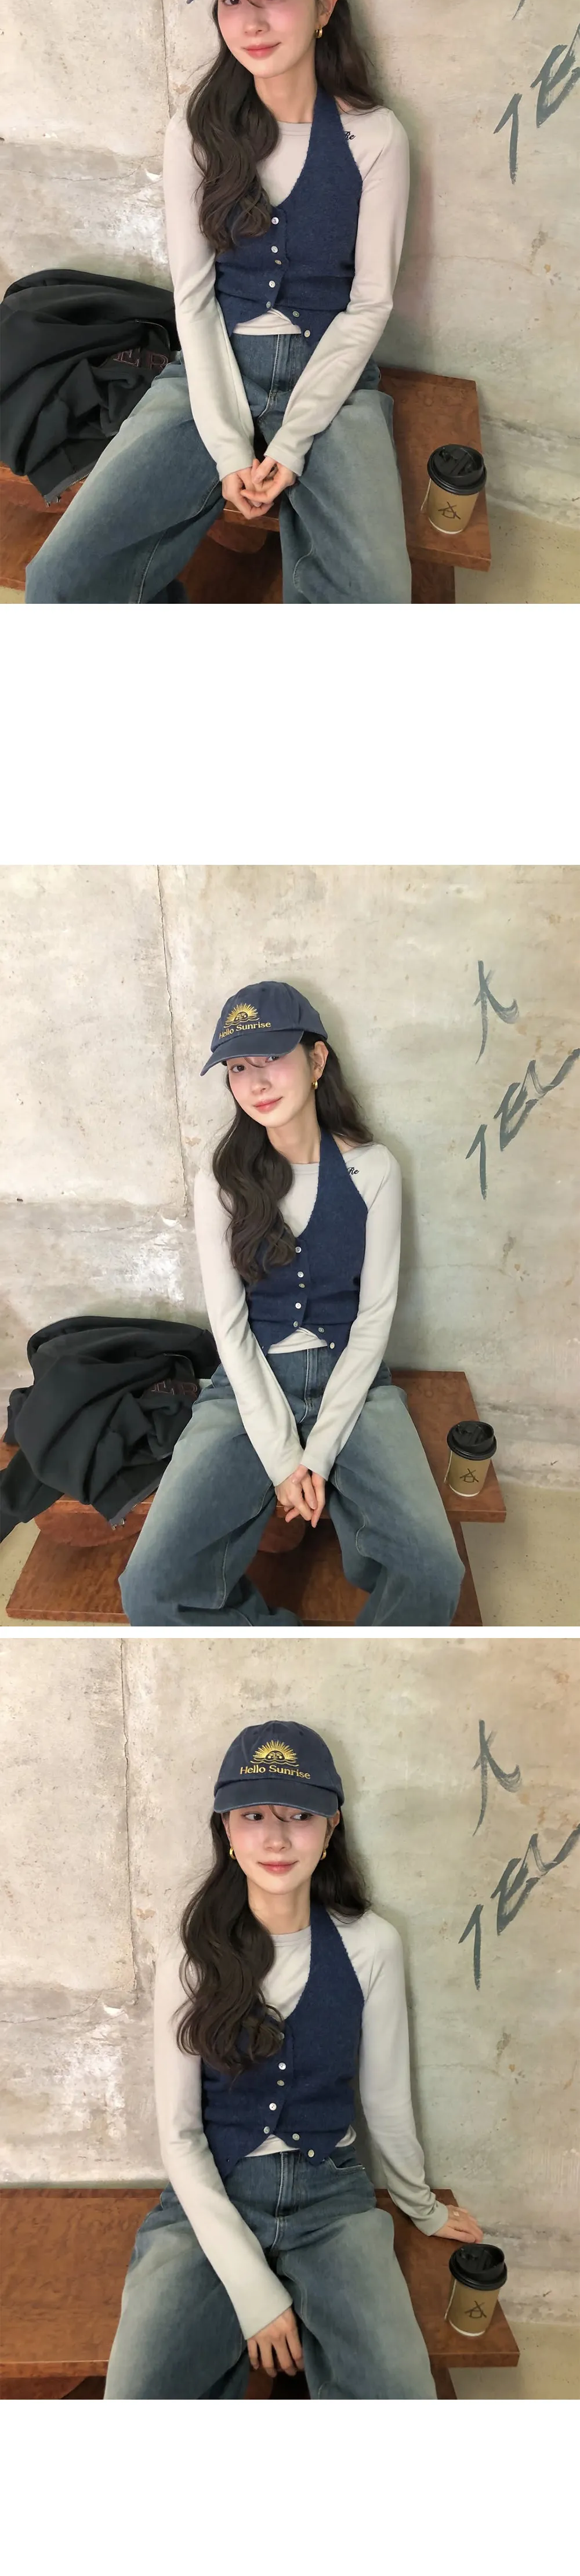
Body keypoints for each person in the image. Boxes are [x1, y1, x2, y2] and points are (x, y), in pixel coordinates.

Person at [24, 0, 412, 607]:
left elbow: (370, 304)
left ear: (325, 4)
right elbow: (194, 296)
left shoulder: (376, 137)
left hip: (334, 378)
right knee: (62, 582)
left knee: (372, 598)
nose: (250, 21)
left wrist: (292, 442)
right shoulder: (196, 133)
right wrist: (231, 445)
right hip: (211, 368)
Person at [104, 1713, 481, 2399]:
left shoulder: (372, 1944)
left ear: (331, 1826)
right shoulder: (190, 1953)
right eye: (253, 1815)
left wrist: (419, 2203)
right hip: (211, 2197)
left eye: (299, 1815)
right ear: (225, 1827)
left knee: (401, 2393)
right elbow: (180, 2134)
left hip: (331, 2199)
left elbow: (385, 2098)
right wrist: (254, 2292)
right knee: (138, 2398)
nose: (275, 1838)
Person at [120, 978, 462, 1628]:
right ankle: (279, 1649)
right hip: (249, 1382)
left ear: (317, 1058)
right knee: (149, 1588)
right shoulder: (221, 1181)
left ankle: (359, 1663)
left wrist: (318, 1453)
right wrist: (284, 1460)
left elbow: (375, 1318)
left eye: (272, 1057)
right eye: (237, 1068)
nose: (255, 1082)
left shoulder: (374, 1169)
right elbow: (229, 1328)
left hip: (353, 1379)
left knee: (433, 1570)